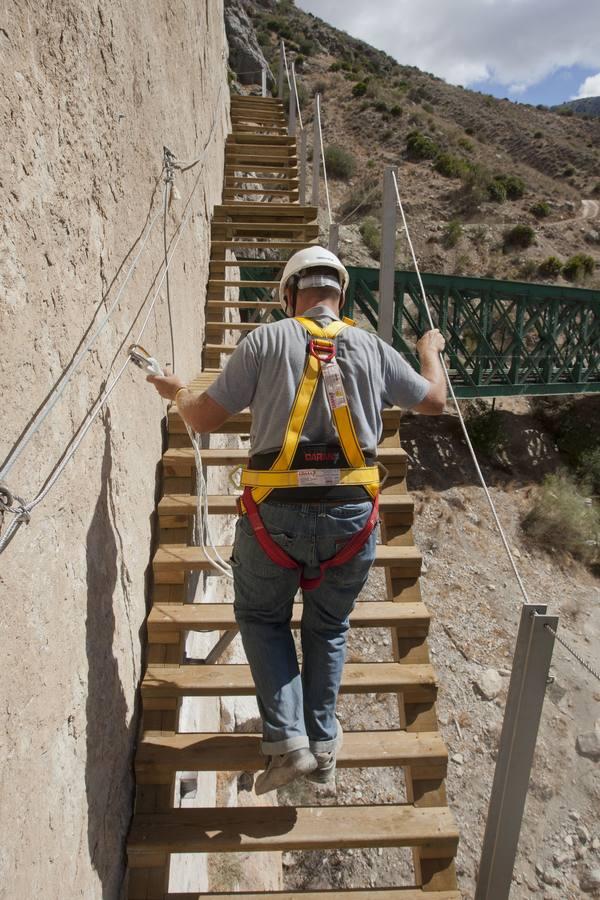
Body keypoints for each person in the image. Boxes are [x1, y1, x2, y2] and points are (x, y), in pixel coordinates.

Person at [148, 246, 446, 794]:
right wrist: (430, 349)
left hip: (274, 519)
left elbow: (204, 418)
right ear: (340, 295)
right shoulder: (373, 348)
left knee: (263, 619)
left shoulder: (266, 340)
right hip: (353, 520)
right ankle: (324, 748)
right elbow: (435, 401)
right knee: (328, 626)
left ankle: (289, 744)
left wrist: (176, 392)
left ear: (290, 295)